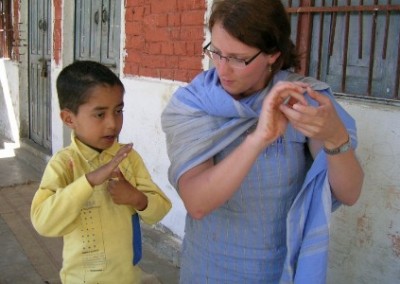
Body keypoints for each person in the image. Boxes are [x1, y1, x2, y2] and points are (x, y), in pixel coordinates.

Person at [161, 0, 364, 283]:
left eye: (238, 58)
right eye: (216, 52)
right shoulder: (194, 104)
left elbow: (349, 193)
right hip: (210, 266)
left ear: (272, 55)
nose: (222, 69)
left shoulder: (300, 100)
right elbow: (197, 202)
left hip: (280, 268)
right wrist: (258, 139)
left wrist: (334, 136)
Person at [31, 60, 172, 284]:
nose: (112, 124)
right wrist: (88, 182)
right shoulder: (64, 164)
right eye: (100, 114)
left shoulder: (128, 159)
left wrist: (137, 198)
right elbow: (43, 222)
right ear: (69, 119)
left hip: (128, 278)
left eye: (118, 111)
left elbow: (160, 210)